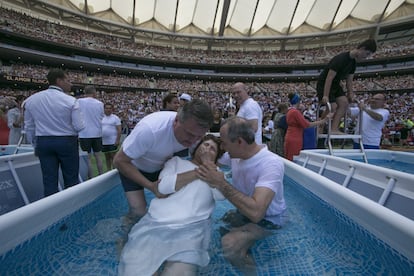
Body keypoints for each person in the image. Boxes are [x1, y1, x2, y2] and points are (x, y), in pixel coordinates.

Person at [118, 135, 224, 276]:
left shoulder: (216, 174)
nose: (207, 149)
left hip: (191, 231)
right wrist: (198, 171)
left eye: (212, 149)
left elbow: (221, 196)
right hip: (155, 224)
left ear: (216, 157)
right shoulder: (176, 162)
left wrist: (210, 169)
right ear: (196, 148)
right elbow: (162, 187)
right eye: (205, 145)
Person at [196, 117, 287, 274]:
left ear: (239, 142)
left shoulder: (271, 163)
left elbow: (257, 213)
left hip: (269, 220)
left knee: (229, 243)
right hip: (244, 214)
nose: (222, 147)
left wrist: (221, 183)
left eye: (224, 143)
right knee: (210, 228)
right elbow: (209, 158)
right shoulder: (236, 155)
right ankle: (246, 252)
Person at [113, 99, 213, 221]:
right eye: (190, 134)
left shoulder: (194, 133)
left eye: (199, 136)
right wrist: (150, 186)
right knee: (138, 210)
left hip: (161, 167)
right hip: (133, 167)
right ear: (176, 120)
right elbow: (119, 161)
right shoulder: (150, 130)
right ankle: (123, 238)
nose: (193, 141)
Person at [24, 69, 85, 196]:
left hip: (43, 141)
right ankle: (73, 209)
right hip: (66, 141)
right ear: (59, 81)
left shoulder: (31, 100)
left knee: (49, 181)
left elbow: (29, 127)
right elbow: (79, 126)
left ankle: (52, 212)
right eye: (68, 80)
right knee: (71, 180)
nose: (71, 84)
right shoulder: (70, 100)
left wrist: (34, 145)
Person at [317, 39, 377, 134]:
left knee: (344, 103)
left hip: (336, 84)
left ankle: (334, 129)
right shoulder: (341, 58)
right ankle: (319, 126)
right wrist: (325, 95)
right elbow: (329, 77)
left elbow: (349, 80)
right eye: (367, 53)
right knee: (332, 107)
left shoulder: (353, 63)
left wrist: (350, 94)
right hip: (324, 83)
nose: (366, 57)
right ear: (362, 48)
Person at [284, 93, 331, 161]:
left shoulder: (290, 111)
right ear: (298, 101)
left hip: (290, 136)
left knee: (289, 157)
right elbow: (307, 125)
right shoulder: (295, 112)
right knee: (294, 158)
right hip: (295, 138)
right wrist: (323, 120)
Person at [78, 85, 104, 179]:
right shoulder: (99, 103)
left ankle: (91, 178)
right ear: (94, 93)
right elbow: (101, 117)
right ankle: (101, 175)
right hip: (97, 133)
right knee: (98, 156)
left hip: (84, 133)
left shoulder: (79, 102)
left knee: (88, 158)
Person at [101, 103, 121, 171]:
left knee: (113, 157)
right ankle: (108, 171)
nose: (108, 110)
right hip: (104, 141)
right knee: (107, 157)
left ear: (112, 109)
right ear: (104, 109)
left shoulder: (115, 118)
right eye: (106, 108)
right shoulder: (101, 117)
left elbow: (119, 130)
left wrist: (117, 140)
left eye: (109, 108)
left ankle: (114, 171)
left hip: (112, 141)